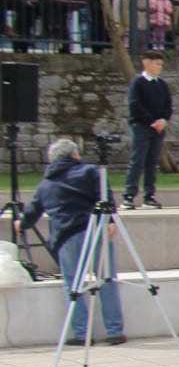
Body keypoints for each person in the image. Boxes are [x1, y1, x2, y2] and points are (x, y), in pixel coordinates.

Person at [21, 139, 125, 346]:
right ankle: (114, 331)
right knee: (106, 280)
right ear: (74, 155)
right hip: (94, 230)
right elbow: (104, 197)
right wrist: (110, 220)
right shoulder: (90, 172)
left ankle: (82, 333)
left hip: (66, 237)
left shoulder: (46, 184)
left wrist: (21, 223)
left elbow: (33, 212)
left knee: (73, 286)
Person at [123, 51, 171, 210]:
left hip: (157, 128)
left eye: (161, 64)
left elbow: (168, 106)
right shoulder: (138, 82)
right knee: (138, 160)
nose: (159, 67)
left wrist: (163, 120)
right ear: (146, 63)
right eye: (157, 64)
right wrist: (151, 121)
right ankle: (129, 195)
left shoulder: (161, 84)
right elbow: (135, 105)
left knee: (151, 162)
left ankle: (149, 195)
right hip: (141, 126)